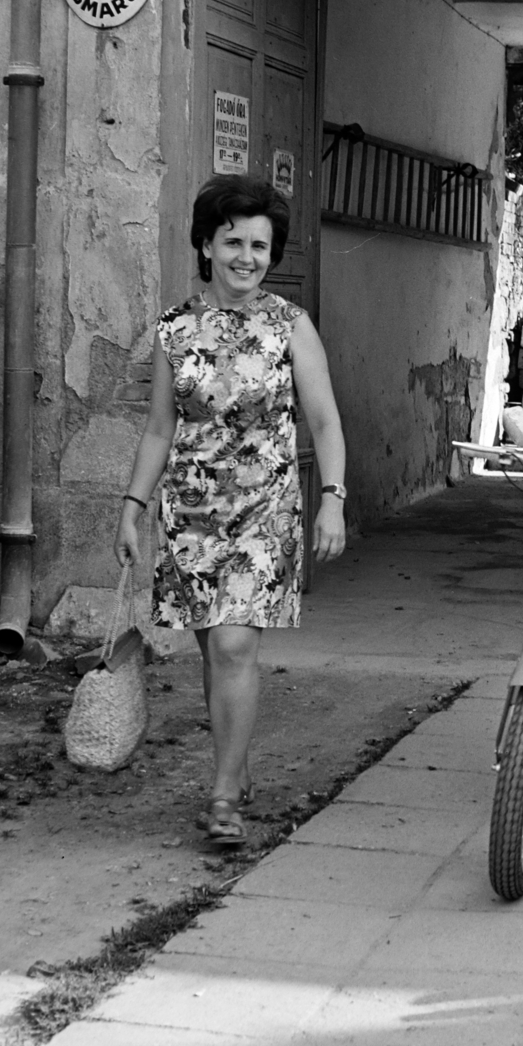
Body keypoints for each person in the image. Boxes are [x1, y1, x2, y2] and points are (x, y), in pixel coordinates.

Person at [115, 175, 348, 847]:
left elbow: (326, 422)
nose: (248, 257)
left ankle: (222, 798)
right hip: (190, 511)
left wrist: (332, 499)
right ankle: (233, 773)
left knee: (235, 643)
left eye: (261, 246)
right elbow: (160, 429)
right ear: (206, 245)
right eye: (234, 242)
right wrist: (132, 507)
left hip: (264, 510)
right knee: (214, 656)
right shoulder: (174, 330)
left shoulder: (289, 326)